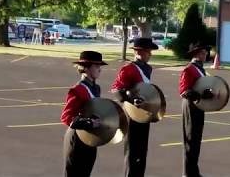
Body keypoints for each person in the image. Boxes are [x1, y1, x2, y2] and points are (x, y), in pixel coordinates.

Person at [111, 38, 158, 177]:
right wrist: (131, 99)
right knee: (132, 150)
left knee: (142, 150)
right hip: (131, 113)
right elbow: (117, 89)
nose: (150, 54)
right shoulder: (128, 68)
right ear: (138, 52)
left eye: (150, 51)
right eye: (147, 51)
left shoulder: (147, 68)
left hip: (144, 111)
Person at [61, 51, 108, 177]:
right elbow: (67, 117)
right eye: (96, 66)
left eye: (100, 66)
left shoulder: (96, 88)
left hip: (90, 139)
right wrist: (89, 122)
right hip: (77, 139)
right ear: (86, 68)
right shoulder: (77, 90)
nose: (100, 69)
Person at [179, 42, 212, 177]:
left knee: (196, 140)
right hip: (191, 105)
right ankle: (187, 173)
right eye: (204, 53)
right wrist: (199, 95)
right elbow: (183, 91)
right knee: (190, 140)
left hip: (199, 105)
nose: (206, 55)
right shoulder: (189, 69)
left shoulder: (200, 69)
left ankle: (193, 171)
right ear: (197, 54)